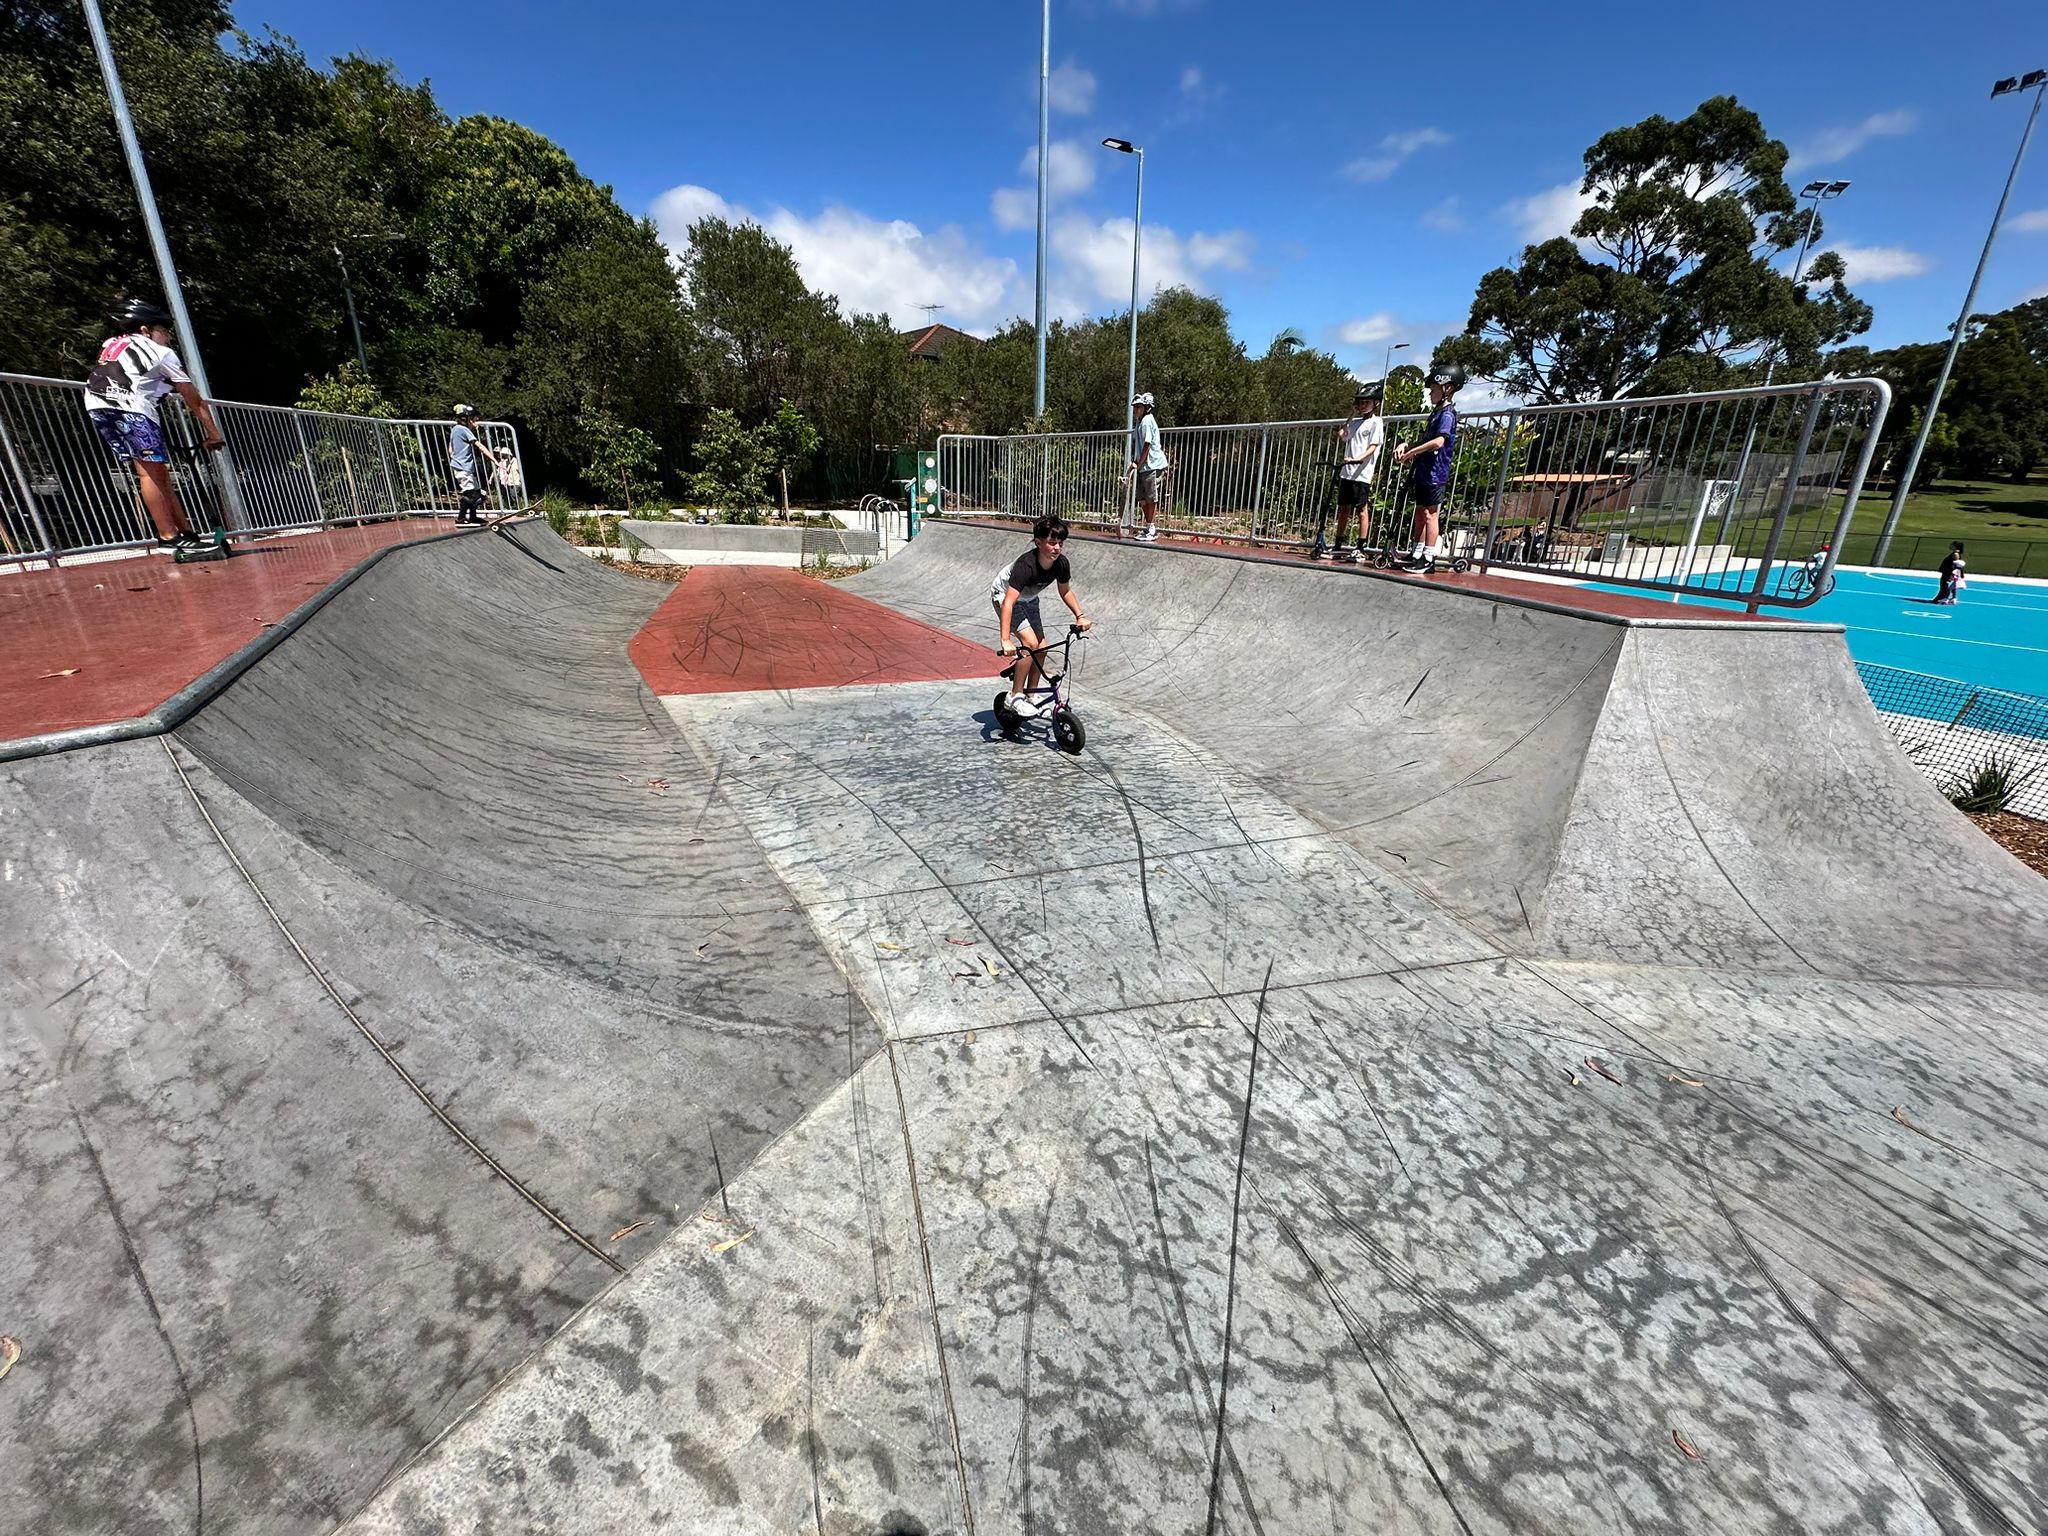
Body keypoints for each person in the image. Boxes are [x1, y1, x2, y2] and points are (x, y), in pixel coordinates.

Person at [82, 298, 226, 552]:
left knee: (157, 472)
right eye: (164, 331)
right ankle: (168, 536)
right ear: (145, 330)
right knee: (149, 473)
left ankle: (185, 532)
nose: (168, 338)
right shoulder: (162, 353)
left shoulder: (112, 344)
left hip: (97, 405)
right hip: (131, 407)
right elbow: (193, 398)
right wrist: (213, 433)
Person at [990, 514, 1092, 717]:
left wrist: (1080, 616)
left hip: (1029, 599)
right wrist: (1005, 640)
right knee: (1030, 643)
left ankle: (1032, 694)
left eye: (1060, 543)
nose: (1057, 548)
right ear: (1038, 542)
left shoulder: (1061, 564)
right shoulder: (1025, 566)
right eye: (1052, 543)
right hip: (1004, 596)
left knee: (1042, 647)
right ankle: (1015, 696)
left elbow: (1065, 591)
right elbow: (1009, 602)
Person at [1392, 364, 1464, 570]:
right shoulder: (1436, 413)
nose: (1430, 393)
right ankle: (1417, 551)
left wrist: (1413, 452)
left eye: (1433, 389)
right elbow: (1426, 439)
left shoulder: (1447, 414)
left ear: (1447, 388)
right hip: (1424, 470)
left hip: (1435, 472)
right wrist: (1407, 445)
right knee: (1419, 511)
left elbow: (1438, 442)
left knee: (1429, 514)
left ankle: (1429, 557)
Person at [1314, 381, 1385, 561]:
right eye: (1360, 403)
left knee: (1361, 509)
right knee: (1343, 508)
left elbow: (1374, 446)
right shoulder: (1355, 423)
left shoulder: (1376, 422)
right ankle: (1338, 542)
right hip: (1347, 471)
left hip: (1361, 472)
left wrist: (1358, 458)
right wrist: (1351, 415)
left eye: (1366, 402)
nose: (1362, 406)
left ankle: (1361, 546)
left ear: (1375, 403)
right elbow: (1342, 434)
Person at [1127, 391, 1169, 543]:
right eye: (1135, 407)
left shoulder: (1146, 421)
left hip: (1152, 465)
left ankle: (1151, 529)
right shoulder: (1139, 422)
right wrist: (1136, 462)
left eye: (1138, 407)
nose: (1135, 410)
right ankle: (1148, 526)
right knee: (1142, 498)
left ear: (1146, 407)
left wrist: (1139, 463)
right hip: (1143, 466)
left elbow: (1147, 444)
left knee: (1151, 497)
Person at [449, 404, 492, 525]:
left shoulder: (456, 429)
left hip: (463, 467)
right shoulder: (464, 430)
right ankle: (461, 519)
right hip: (462, 468)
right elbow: (479, 446)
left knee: (479, 493)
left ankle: (473, 517)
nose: (475, 422)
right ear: (465, 419)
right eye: (473, 419)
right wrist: (494, 460)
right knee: (472, 495)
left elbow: (450, 449)